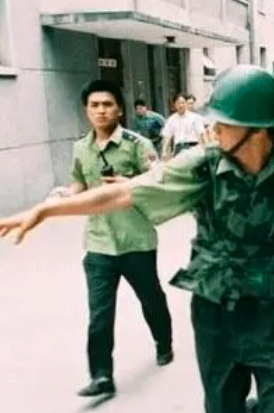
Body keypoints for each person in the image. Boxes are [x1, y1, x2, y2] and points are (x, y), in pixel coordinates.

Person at [0, 65, 274, 413]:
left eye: (224, 122)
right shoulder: (201, 166)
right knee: (222, 404)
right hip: (215, 310)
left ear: (258, 131)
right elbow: (126, 191)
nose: (213, 129)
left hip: (270, 307)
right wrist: (48, 210)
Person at [28, 80, 172, 397]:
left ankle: (164, 342)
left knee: (151, 300)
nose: (101, 110)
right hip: (98, 243)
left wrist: (130, 182)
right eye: (94, 105)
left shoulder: (137, 144)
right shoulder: (81, 147)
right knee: (99, 315)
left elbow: (159, 182)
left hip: (136, 241)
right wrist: (66, 194)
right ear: (86, 110)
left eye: (107, 104)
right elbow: (79, 181)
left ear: (119, 108)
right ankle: (102, 375)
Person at [161, 93, 206, 158]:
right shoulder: (171, 119)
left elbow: (200, 134)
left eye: (183, 102)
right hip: (179, 149)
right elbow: (167, 136)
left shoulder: (195, 117)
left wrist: (202, 149)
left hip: (193, 147)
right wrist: (164, 151)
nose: (181, 105)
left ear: (186, 104)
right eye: (178, 103)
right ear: (174, 105)